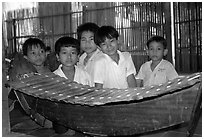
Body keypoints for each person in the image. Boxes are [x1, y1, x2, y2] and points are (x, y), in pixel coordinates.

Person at [53, 36, 92, 135]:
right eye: (64, 53)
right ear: (57, 56)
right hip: (63, 113)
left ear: (78, 56)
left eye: (73, 53)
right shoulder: (53, 77)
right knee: (60, 128)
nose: (69, 57)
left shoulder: (85, 75)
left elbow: (92, 95)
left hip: (82, 112)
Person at [77, 22, 103, 86]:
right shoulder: (80, 59)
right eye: (83, 40)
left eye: (91, 39)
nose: (87, 43)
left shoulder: (102, 58)